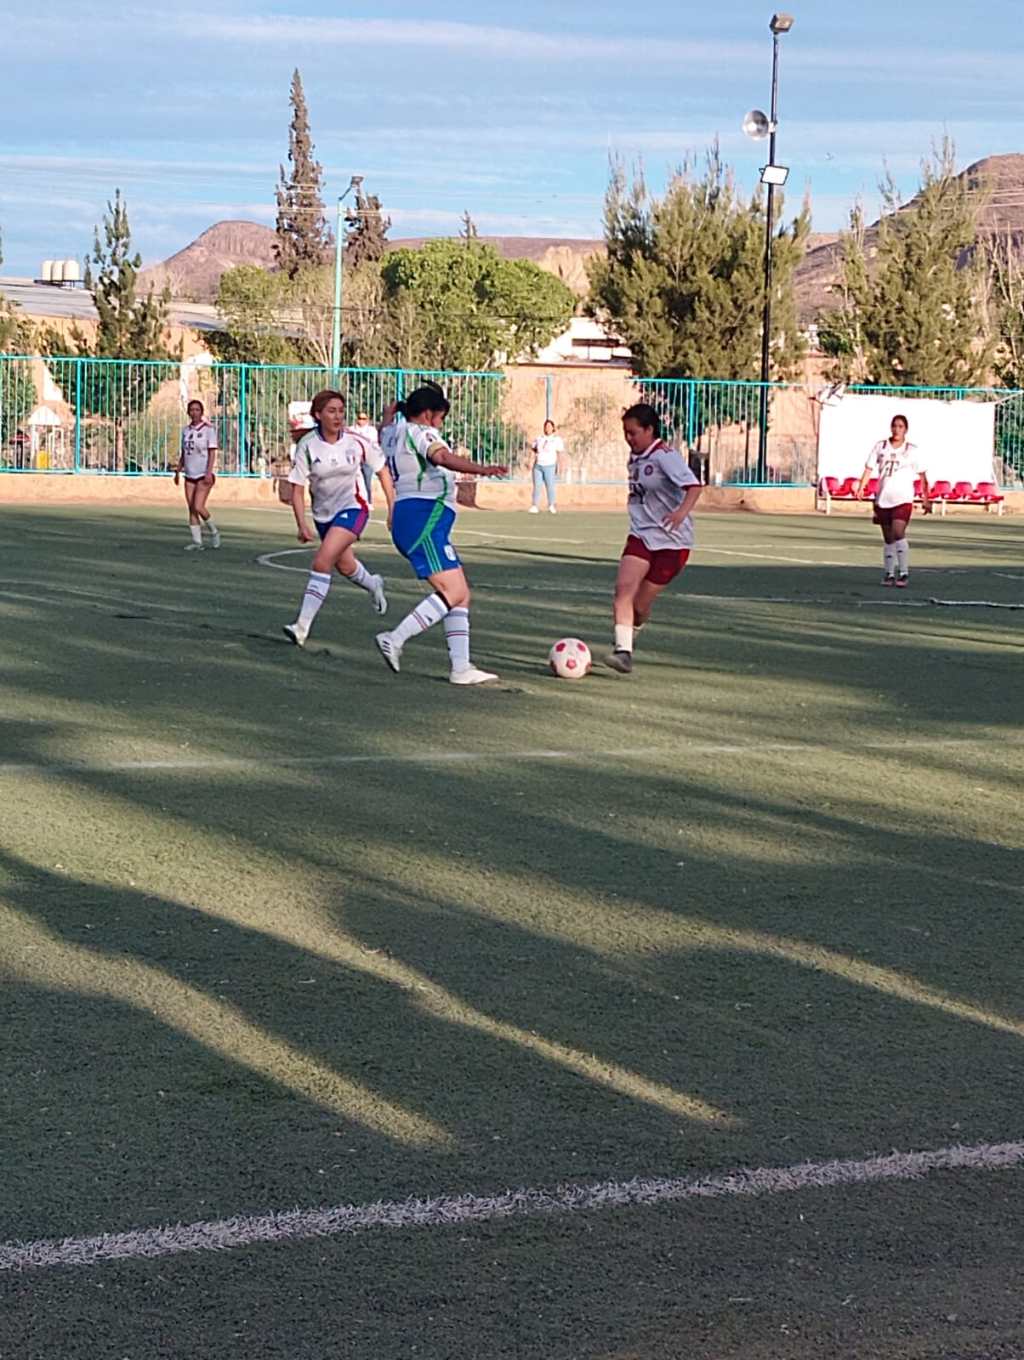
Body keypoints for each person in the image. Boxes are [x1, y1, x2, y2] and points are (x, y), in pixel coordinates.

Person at [375, 384, 508, 685]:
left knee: (461, 594)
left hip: (416, 518)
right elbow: (442, 458)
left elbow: (382, 431)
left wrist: (387, 415)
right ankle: (395, 638)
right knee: (454, 591)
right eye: (439, 417)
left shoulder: (393, 433)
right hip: (424, 518)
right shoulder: (421, 433)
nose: (440, 424)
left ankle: (460, 667)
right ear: (427, 414)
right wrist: (482, 470)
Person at [283, 388, 395, 647]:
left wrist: (393, 507)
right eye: (331, 411)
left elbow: (383, 471)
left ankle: (301, 627)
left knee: (322, 561)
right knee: (345, 566)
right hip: (323, 515)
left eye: (341, 411)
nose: (338, 416)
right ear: (318, 415)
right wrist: (302, 524)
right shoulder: (307, 445)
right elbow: (297, 489)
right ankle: (373, 583)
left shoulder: (356, 440)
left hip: (354, 508)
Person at [605, 403, 703, 675]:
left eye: (633, 432)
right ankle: (623, 653)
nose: (629, 438)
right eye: (625, 432)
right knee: (623, 591)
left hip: (673, 542)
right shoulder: (635, 456)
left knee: (639, 606)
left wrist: (680, 514)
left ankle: (632, 631)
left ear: (649, 430)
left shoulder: (665, 457)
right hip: (641, 533)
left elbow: (694, 486)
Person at [856, 414, 931, 587]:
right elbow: (869, 468)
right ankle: (889, 574)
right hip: (883, 497)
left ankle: (904, 573)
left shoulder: (911, 450)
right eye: (895, 426)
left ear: (906, 430)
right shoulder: (881, 446)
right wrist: (862, 486)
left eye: (901, 426)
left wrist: (926, 498)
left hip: (903, 498)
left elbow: (922, 475)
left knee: (898, 532)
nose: (897, 429)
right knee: (888, 537)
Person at [174, 400, 220, 550]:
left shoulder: (208, 430)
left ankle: (214, 531)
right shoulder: (186, 431)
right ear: (188, 412)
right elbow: (184, 452)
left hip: (203, 474)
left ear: (202, 412)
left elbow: (212, 452)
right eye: (192, 410)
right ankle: (197, 542)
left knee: (198, 506)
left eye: (197, 410)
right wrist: (178, 470)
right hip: (189, 474)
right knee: (191, 508)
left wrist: (209, 472)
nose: (194, 413)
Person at [528, 419, 565, 514]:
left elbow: (560, 454)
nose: (547, 428)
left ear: (553, 428)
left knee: (550, 486)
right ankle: (535, 505)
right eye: (546, 426)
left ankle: (551, 505)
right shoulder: (539, 438)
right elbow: (534, 450)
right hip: (538, 466)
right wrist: (531, 462)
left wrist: (561, 466)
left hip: (549, 466)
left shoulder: (556, 440)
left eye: (549, 426)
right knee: (537, 486)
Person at [351, 409, 381, 508]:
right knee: (354, 482)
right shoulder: (352, 429)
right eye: (360, 418)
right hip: (354, 458)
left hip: (367, 458)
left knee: (366, 480)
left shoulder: (372, 430)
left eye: (364, 419)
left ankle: (369, 501)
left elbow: (373, 443)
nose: (361, 421)